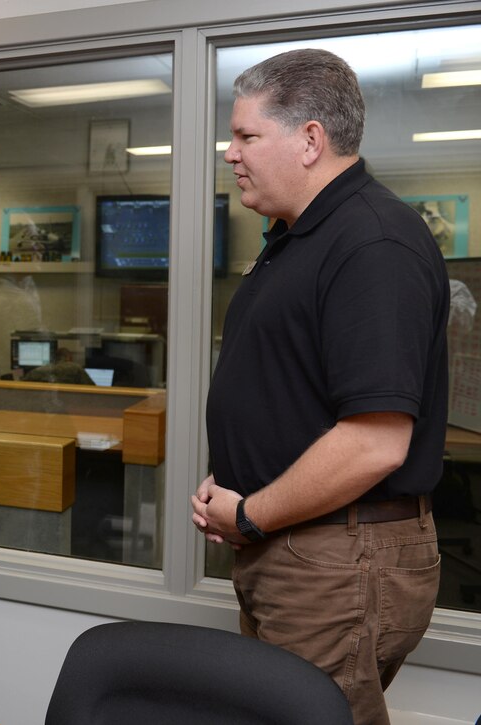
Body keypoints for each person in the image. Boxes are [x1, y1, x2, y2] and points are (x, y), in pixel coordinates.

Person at [190, 49, 448, 725]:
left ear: (310, 140)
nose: (230, 152)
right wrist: (235, 484)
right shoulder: (298, 236)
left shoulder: (371, 242)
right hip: (299, 547)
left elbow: (375, 443)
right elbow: (288, 388)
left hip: (336, 558)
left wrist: (249, 513)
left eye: (246, 135)